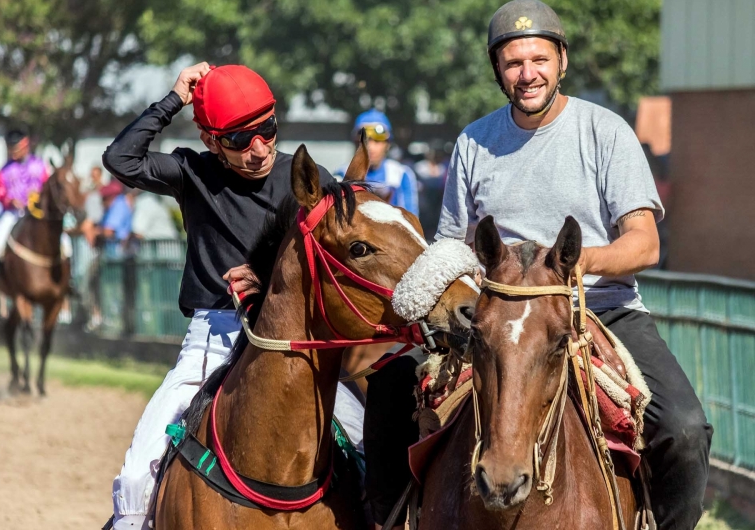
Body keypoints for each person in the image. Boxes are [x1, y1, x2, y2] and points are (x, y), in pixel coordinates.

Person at [364, 2, 713, 529]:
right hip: (495, 314)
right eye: (513, 63)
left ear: (562, 61)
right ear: (497, 71)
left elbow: (644, 244)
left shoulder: (605, 131)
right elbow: (454, 245)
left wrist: (575, 264)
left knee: (685, 429)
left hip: (600, 308)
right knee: (389, 386)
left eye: (539, 59)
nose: (528, 74)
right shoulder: (473, 142)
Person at [102, 63, 366, 530]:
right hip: (214, 337)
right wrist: (173, 99)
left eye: (266, 130)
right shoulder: (192, 171)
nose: (259, 149)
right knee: (135, 481)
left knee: (366, 452)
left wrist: (267, 279)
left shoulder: (308, 178)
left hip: (294, 340)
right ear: (210, 141)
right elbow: (121, 159)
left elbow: (336, 257)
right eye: (240, 140)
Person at [0, 130, 74, 303]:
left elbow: (50, 190)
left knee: (65, 243)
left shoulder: (41, 167)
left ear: (25, 146)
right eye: (11, 149)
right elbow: (0, 192)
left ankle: (69, 280)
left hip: (38, 214)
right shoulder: (5, 170)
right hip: (13, 213)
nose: (13, 152)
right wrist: (10, 200)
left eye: (16, 148)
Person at [335, 109, 419, 216]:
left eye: (377, 140)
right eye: (364, 140)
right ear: (355, 143)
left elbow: (411, 221)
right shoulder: (341, 176)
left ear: (388, 144)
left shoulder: (401, 175)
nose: (370, 146)